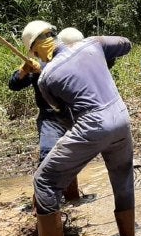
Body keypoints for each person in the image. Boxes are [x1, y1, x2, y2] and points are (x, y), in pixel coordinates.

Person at [30, 25, 135, 236]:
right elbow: (126, 44)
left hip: (92, 125)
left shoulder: (46, 77)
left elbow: (63, 113)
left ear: (37, 52)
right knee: (122, 179)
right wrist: (102, 58)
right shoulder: (93, 44)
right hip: (121, 118)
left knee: (44, 180)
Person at [9, 22, 85, 203]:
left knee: (70, 157)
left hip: (72, 116)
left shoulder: (71, 59)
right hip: (50, 118)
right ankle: (45, 204)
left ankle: (72, 198)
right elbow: (14, 84)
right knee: (48, 154)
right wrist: (24, 70)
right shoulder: (36, 63)